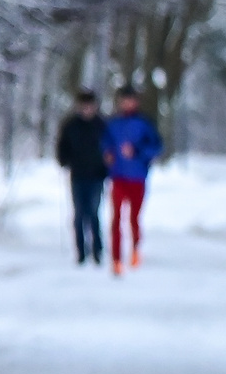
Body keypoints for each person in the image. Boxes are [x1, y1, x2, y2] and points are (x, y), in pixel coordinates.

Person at [102, 86, 165, 273]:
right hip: (118, 177)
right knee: (116, 218)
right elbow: (105, 143)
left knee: (134, 218)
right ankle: (116, 257)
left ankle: (135, 250)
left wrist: (137, 152)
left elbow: (156, 147)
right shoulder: (114, 124)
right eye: (124, 100)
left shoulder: (144, 124)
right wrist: (108, 153)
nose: (127, 103)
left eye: (131, 100)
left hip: (137, 178)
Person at [53, 89, 107, 266]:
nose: (87, 110)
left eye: (89, 106)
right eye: (83, 106)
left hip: (97, 175)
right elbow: (62, 146)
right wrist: (63, 160)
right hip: (77, 175)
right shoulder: (70, 125)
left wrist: (106, 167)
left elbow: (108, 149)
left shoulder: (101, 125)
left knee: (93, 212)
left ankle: (97, 250)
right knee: (79, 214)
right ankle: (81, 251)